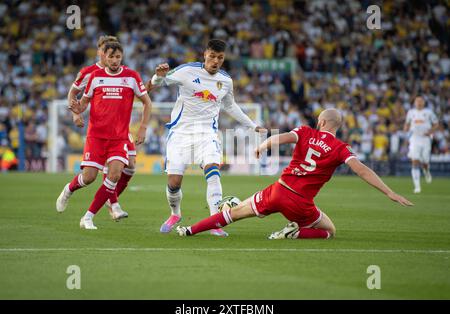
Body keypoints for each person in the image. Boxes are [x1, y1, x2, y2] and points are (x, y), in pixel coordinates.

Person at [176, 108, 413, 239]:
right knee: (329, 231)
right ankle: (294, 233)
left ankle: (190, 229)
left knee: (233, 214)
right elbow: (362, 170)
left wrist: (263, 145)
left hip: (279, 190)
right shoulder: (341, 149)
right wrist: (389, 192)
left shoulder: (305, 132)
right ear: (337, 126)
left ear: (321, 121)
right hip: (300, 203)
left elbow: (282, 138)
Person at [148, 39, 266, 237]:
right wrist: (158, 77)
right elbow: (152, 86)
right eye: (212, 56)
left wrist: (252, 125)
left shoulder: (226, 81)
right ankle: (175, 214)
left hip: (207, 134)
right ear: (205, 54)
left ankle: (214, 222)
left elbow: (230, 106)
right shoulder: (186, 71)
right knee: (174, 183)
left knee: (213, 170)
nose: (215, 61)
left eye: (220, 58)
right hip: (180, 134)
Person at [57, 41, 152, 229]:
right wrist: (77, 110)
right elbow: (84, 102)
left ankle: (88, 217)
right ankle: (69, 188)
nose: (115, 60)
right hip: (96, 136)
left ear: (122, 57)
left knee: (115, 174)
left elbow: (147, 102)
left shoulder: (131, 76)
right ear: (103, 56)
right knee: (89, 177)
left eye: (118, 57)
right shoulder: (95, 77)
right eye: (111, 57)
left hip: (119, 138)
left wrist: (142, 127)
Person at [403, 96, 439, 193]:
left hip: (426, 139)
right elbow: (407, 123)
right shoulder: (411, 112)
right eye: (417, 101)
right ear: (414, 103)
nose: (419, 103)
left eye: (421, 101)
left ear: (424, 102)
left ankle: (426, 171)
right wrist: (406, 128)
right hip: (414, 138)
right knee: (415, 161)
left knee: (425, 162)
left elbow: (436, 124)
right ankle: (417, 187)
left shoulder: (429, 112)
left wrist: (430, 131)